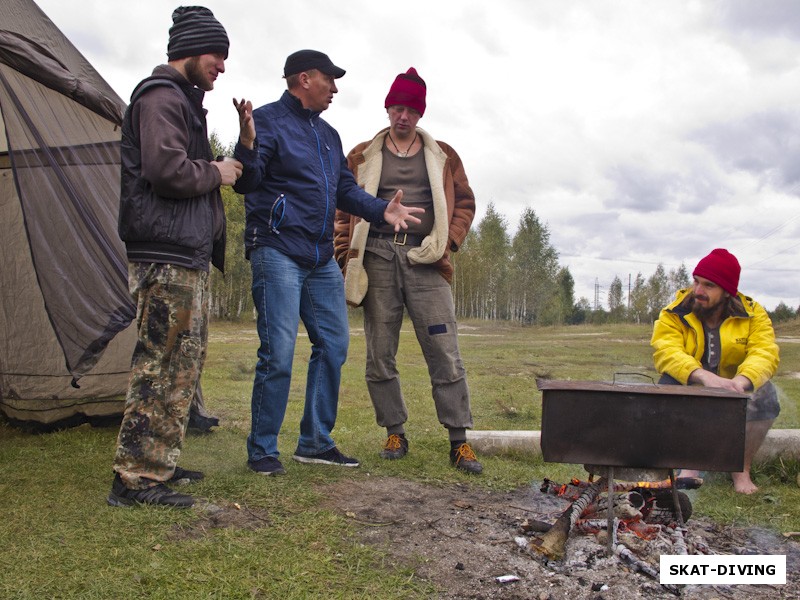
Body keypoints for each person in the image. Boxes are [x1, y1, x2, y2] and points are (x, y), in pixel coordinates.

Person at [232, 50, 423, 476]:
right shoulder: (265, 121)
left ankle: (315, 442)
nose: (335, 88)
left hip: (319, 258)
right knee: (278, 352)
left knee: (334, 345)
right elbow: (247, 182)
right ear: (304, 79)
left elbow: (345, 191)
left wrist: (381, 211)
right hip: (278, 249)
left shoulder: (329, 135)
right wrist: (245, 145)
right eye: (329, 80)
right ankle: (262, 449)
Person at [108, 6, 247, 508]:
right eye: (217, 55)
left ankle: (157, 463)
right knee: (161, 363)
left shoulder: (181, 101)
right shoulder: (162, 97)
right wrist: (218, 172)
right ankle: (134, 480)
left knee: (183, 364)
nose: (223, 66)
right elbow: (166, 169)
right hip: (164, 256)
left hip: (182, 253)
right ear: (189, 50)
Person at [333, 67, 483, 474]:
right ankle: (394, 431)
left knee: (444, 350)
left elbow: (465, 203)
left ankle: (458, 440)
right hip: (378, 259)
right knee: (380, 352)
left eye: (411, 109)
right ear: (387, 108)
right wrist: (346, 253)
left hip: (426, 261)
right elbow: (343, 207)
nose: (403, 115)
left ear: (420, 113)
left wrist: (448, 241)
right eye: (397, 107)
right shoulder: (362, 154)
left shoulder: (444, 156)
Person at [651, 248, 780, 494]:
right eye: (696, 282)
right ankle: (690, 465)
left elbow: (765, 352)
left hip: (734, 382)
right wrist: (703, 377)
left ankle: (741, 469)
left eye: (709, 285)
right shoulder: (675, 311)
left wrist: (743, 381)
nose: (698, 291)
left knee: (766, 399)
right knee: (666, 387)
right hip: (693, 378)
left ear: (727, 291)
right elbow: (666, 351)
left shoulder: (753, 314)